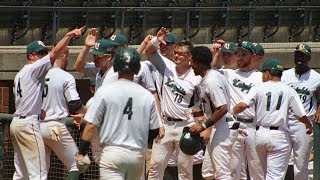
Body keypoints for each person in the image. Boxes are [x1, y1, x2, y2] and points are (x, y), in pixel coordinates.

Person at [11, 26, 85, 180]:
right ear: (31, 56)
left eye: (44, 52)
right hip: (32, 124)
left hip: (17, 123)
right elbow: (55, 53)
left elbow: (24, 99)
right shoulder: (34, 69)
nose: (43, 56)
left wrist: (39, 110)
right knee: (39, 174)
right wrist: (69, 36)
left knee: (21, 174)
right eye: (40, 53)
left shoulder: (20, 74)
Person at [76, 47, 161, 179]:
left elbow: (91, 125)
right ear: (137, 69)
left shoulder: (104, 91)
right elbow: (155, 130)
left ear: (115, 67)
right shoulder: (147, 95)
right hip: (137, 155)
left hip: (112, 153)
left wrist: (82, 152)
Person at [232, 58, 313, 179]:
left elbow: (242, 105)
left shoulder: (258, 88)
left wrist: (231, 113)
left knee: (261, 175)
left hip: (259, 135)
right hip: (279, 136)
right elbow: (300, 115)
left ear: (267, 73)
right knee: (275, 176)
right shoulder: (289, 90)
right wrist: (308, 125)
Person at [146, 27, 202, 179]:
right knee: (155, 166)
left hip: (186, 126)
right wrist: (156, 40)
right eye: (175, 52)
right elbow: (149, 52)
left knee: (185, 170)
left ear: (190, 57)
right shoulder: (168, 66)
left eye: (181, 53)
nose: (176, 56)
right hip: (165, 125)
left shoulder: (196, 77)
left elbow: (202, 104)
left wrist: (196, 120)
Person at [213, 41, 265, 180]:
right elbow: (214, 69)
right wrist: (218, 53)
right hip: (234, 125)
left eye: (243, 54)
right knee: (233, 168)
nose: (239, 57)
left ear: (253, 57)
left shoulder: (261, 77)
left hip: (254, 126)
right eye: (238, 54)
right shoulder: (229, 74)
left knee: (257, 169)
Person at [189, 46, 236, 179]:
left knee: (222, 173)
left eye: (192, 61)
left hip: (224, 127)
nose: (191, 65)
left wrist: (203, 126)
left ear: (198, 62)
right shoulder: (211, 75)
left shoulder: (212, 81)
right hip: (219, 127)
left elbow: (222, 108)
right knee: (208, 172)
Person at [40, 45, 87, 179]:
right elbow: (75, 104)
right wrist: (88, 110)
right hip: (55, 127)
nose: (68, 60)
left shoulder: (39, 74)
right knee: (78, 164)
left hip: (36, 127)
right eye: (68, 57)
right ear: (63, 56)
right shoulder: (66, 76)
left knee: (40, 171)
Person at [281, 44, 320, 180]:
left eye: (302, 55)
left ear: (309, 58)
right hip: (284, 122)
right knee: (280, 160)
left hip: (304, 125)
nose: (299, 58)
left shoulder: (316, 78)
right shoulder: (284, 75)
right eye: (297, 54)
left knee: (301, 163)